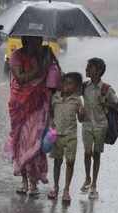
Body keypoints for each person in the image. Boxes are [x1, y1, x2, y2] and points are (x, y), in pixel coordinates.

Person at [4, 36, 61, 196]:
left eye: (38, 39)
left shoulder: (46, 54)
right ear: (25, 40)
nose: (36, 42)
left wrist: (50, 61)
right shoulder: (16, 56)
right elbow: (21, 79)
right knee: (21, 142)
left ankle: (33, 183)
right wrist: (39, 69)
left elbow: (56, 77)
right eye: (31, 39)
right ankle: (24, 181)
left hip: (39, 105)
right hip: (19, 106)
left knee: (35, 143)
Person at [80, 58, 118, 199]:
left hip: (101, 126)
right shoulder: (84, 86)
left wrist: (106, 103)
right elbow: (71, 92)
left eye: (89, 67)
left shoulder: (106, 89)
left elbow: (117, 105)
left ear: (98, 71)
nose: (86, 69)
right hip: (86, 125)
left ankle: (94, 185)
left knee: (96, 154)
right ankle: (87, 178)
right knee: (87, 152)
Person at [47, 72, 84, 202]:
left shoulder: (77, 100)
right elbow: (51, 113)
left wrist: (81, 113)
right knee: (57, 162)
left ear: (76, 87)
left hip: (70, 136)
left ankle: (66, 189)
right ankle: (56, 187)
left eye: (70, 84)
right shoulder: (55, 98)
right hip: (57, 135)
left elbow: (81, 119)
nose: (66, 86)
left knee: (70, 162)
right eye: (64, 83)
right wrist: (51, 122)